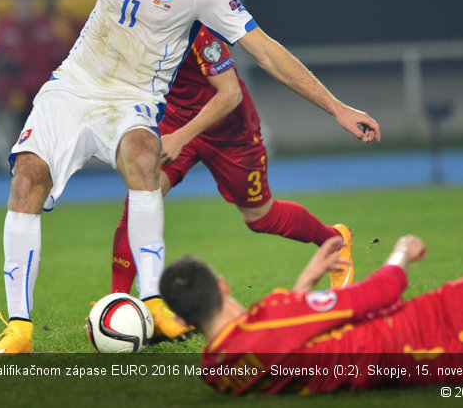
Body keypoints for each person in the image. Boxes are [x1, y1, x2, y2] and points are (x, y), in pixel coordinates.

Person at [0, 0, 380, 356]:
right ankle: (23, 330)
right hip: (76, 86)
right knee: (28, 175)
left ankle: (154, 299)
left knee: (179, 177)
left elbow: (262, 51)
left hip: (160, 106)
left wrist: (336, 107)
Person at [161, 235, 463, 395]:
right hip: (433, 330)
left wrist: (305, 285)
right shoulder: (268, 322)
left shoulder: (216, 372)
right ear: (223, 285)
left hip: (419, 364)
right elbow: (379, 293)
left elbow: (284, 343)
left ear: (183, 321)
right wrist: (401, 251)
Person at [110, 25, 354, 298]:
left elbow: (230, 94)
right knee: (141, 198)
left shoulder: (198, 31)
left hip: (229, 129)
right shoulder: (131, 23)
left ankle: (334, 239)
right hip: (176, 120)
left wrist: (181, 137)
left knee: (261, 217)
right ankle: (117, 300)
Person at [0, 0, 74, 129]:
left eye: (28, 0)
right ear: (13, 3)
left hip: (43, 95)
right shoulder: (4, 28)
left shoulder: (47, 26)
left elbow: (61, 57)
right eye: (20, 1)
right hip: (14, 97)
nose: (24, 5)